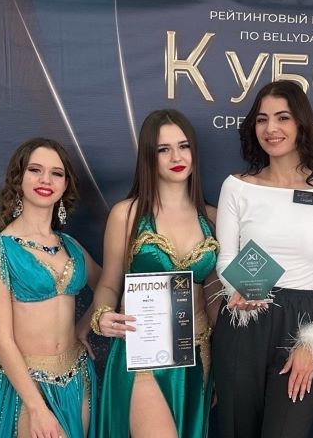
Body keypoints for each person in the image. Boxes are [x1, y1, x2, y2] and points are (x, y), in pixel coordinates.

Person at [212, 80, 313, 438]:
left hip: (302, 321)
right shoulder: (236, 186)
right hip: (245, 318)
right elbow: (226, 256)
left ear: (301, 124)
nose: (271, 128)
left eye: (282, 117)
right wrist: (240, 290)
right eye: (262, 119)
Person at [93, 109, 219, 438]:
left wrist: (224, 360)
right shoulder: (127, 214)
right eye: (164, 149)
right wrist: (102, 314)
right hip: (143, 352)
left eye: (184, 146)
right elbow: (109, 284)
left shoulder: (213, 217)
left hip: (198, 352)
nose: (177, 157)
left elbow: (216, 295)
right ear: (149, 157)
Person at [0, 138, 101, 438]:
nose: (46, 180)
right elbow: (1, 338)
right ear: (18, 178)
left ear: (65, 184)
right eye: (35, 170)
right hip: (28, 387)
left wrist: (83, 328)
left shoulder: (70, 245)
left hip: (78, 377)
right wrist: (37, 408)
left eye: (56, 173)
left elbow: (108, 288)